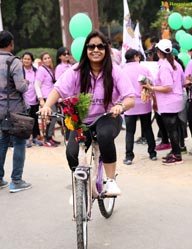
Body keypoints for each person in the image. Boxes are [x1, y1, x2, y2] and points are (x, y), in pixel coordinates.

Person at [39, 30, 135, 196]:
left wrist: (120, 106)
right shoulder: (76, 70)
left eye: (100, 46)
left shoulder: (114, 70)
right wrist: (47, 105)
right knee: (72, 153)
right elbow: (58, 89)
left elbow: (130, 98)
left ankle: (110, 181)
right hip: (81, 122)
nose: (95, 50)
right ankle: (80, 186)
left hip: (107, 118)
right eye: (91, 46)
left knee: (104, 135)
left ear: (106, 50)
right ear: (86, 50)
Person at [143, 39, 184, 165]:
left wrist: (152, 88)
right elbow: (181, 81)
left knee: (171, 129)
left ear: (159, 52)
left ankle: (177, 155)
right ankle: (175, 151)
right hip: (175, 100)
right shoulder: (175, 64)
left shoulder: (165, 66)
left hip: (168, 102)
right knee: (173, 128)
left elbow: (167, 87)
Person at [0, 30, 32, 192]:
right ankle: (16, 181)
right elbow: (21, 86)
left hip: (0, 111)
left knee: (3, 141)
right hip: (15, 110)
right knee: (19, 143)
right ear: (11, 44)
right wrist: (27, 82)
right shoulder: (14, 62)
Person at [122, 49, 157, 165]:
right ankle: (152, 153)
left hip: (129, 103)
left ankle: (129, 156)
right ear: (136, 56)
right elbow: (152, 83)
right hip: (144, 101)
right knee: (147, 128)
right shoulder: (143, 68)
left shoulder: (122, 69)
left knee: (130, 131)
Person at [35, 51, 60, 147]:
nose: (48, 59)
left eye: (49, 57)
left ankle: (50, 137)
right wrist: (41, 99)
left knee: (52, 117)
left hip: (51, 96)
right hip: (46, 97)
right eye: (45, 58)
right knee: (51, 117)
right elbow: (37, 85)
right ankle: (47, 139)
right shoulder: (41, 70)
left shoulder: (49, 69)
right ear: (42, 61)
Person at [21, 51, 43, 147]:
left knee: (34, 120)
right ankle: (26, 140)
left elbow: (39, 84)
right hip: (24, 100)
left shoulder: (36, 71)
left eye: (28, 59)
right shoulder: (19, 71)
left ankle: (35, 138)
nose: (26, 60)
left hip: (34, 99)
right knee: (25, 120)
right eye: (24, 58)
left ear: (32, 61)